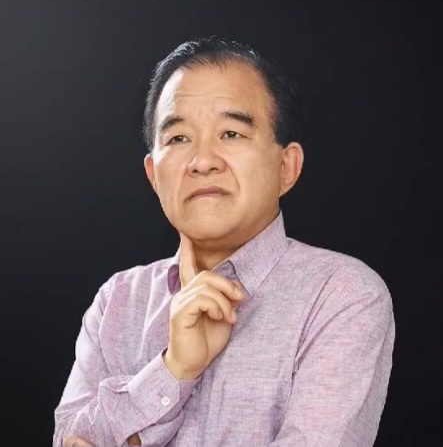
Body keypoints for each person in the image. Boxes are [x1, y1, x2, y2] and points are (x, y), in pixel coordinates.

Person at [54, 36, 395, 447]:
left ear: (286, 167)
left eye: (231, 133)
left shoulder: (342, 295)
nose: (202, 162)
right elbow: (68, 439)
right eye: (179, 139)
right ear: (153, 175)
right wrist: (173, 369)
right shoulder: (117, 301)